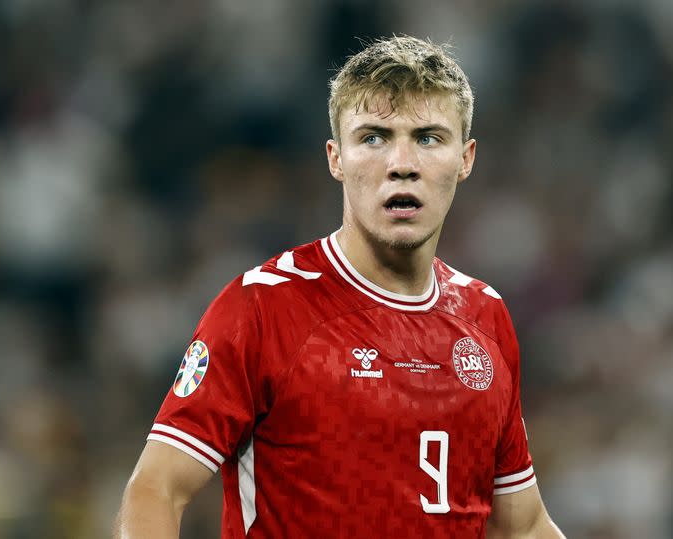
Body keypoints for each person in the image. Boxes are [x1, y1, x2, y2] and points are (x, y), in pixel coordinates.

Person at [115, 35, 565, 538]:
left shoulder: (485, 317)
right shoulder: (263, 306)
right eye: (373, 137)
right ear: (335, 158)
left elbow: (522, 527)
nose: (402, 163)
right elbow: (156, 489)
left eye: (429, 138)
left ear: (466, 158)